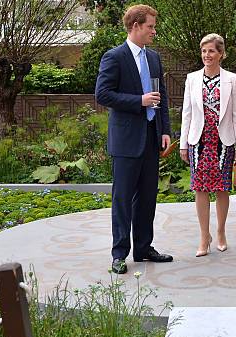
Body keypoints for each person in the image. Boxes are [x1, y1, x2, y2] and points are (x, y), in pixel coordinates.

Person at [95, 4, 173, 274]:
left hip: (152, 138)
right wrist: (139, 101)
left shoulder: (154, 58)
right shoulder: (114, 57)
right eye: (150, 26)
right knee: (123, 198)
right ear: (136, 26)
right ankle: (119, 254)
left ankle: (143, 248)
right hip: (126, 141)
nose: (154, 30)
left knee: (148, 197)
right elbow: (102, 95)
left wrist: (165, 130)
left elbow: (161, 95)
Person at [180, 34, 236, 257]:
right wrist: (183, 144)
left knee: (221, 188)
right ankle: (203, 236)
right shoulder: (191, 79)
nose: (207, 55)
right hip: (198, 141)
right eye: (204, 51)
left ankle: (220, 232)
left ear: (221, 54)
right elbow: (186, 113)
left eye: (211, 51)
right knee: (199, 187)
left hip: (223, 142)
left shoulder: (232, 79)